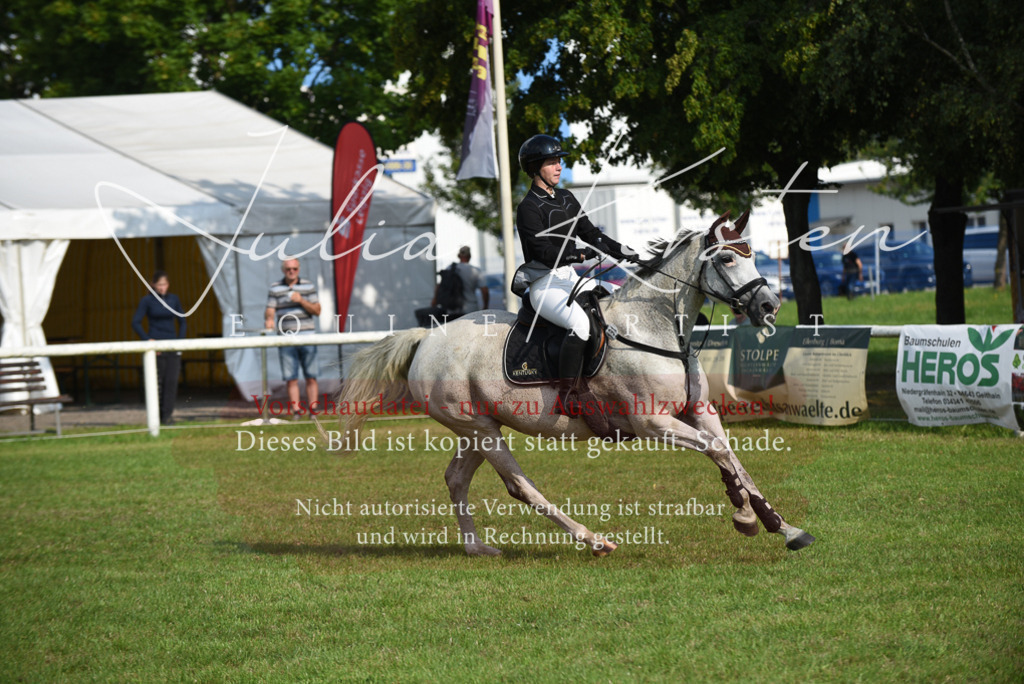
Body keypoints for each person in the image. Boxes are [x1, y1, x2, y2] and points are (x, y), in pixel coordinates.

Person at [515, 134, 641, 412]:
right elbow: (542, 251)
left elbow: (591, 234)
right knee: (580, 325)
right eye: (551, 162)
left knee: (614, 303)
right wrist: (578, 255)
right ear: (535, 168)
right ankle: (567, 394)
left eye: (559, 161)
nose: (559, 167)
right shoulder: (528, 208)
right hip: (544, 285)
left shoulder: (567, 198)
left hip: (570, 279)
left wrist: (622, 250)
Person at [264, 259, 321, 419]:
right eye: (289, 269)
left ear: (299, 269)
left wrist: (301, 300)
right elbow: (270, 310)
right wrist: (269, 319)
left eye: (295, 268)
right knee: (291, 378)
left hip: (307, 337)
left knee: (311, 376)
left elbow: (317, 310)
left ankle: (313, 411)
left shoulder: (308, 286)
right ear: (283, 270)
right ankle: (297, 412)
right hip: (286, 338)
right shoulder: (275, 288)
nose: (292, 271)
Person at [132, 270, 186, 425]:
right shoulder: (147, 301)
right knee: (159, 383)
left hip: (173, 345)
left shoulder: (174, 299)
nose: (163, 288)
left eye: (165, 284)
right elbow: (136, 322)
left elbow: (182, 320)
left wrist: (180, 342)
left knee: (172, 381)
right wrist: (148, 340)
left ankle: (167, 416)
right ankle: (157, 416)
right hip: (156, 347)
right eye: (160, 285)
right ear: (154, 285)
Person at [415, 246, 490, 327]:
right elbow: (485, 291)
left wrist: (435, 299)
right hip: (470, 310)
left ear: (459, 256)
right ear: (470, 256)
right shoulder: (475, 271)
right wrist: (485, 306)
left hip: (452, 310)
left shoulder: (450, 268)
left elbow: (440, 286)